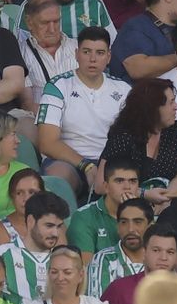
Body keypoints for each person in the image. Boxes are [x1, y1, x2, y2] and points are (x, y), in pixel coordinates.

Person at [37, 27, 131, 195]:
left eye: (100, 53)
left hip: (111, 163)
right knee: (58, 175)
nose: (93, 59)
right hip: (68, 161)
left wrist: (102, 167)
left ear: (108, 57)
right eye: (86, 52)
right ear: (76, 54)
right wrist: (86, 165)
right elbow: (47, 143)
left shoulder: (124, 89)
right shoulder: (58, 86)